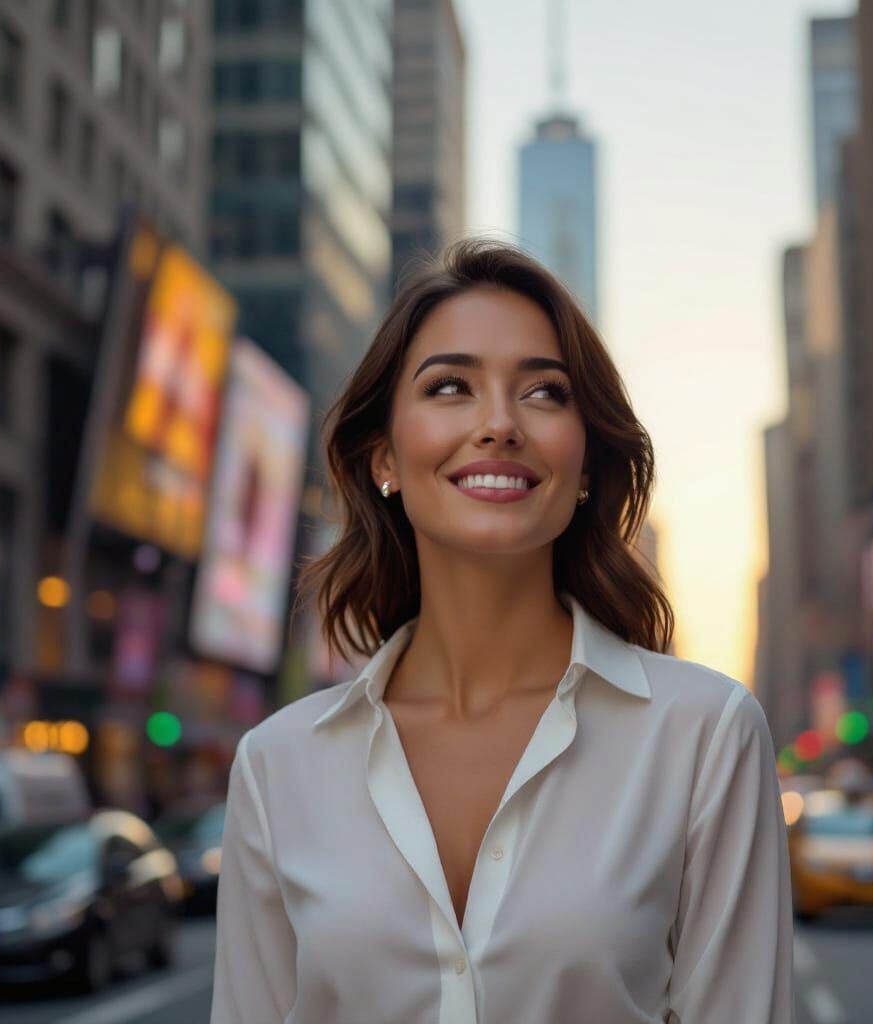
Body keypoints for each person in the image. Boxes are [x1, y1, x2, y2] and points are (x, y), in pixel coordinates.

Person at [210, 239, 795, 1023]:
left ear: (585, 463)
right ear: (384, 455)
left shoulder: (705, 736)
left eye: (545, 394)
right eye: (451, 386)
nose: (498, 424)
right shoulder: (277, 768)